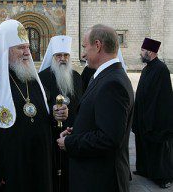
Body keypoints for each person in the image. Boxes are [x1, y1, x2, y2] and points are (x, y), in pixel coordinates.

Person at [0, 19, 67, 192]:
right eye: (21, 48)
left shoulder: (33, 81)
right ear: (5, 50)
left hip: (40, 168)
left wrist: (55, 115)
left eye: (28, 47)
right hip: (11, 173)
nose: (28, 52)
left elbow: (39, 118)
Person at [57, 24, 134, 192]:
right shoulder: (105, 76)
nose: (83, 54)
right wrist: (76, 131)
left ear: (98, 46)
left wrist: (70, 142)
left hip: (100, 180)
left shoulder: (112, 83)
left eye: (85, 47)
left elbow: (109, 138)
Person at [38, 35, 83, 192]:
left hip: (72, 134)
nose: (63, 59)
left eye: (66, 55)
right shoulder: (41, 78)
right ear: (52, 57)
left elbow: (80, 106)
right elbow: (38, 107)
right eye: (58, 55)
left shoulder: (77, 78)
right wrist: (52, 112)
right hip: (50, 135)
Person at [132, 37, 173, 188]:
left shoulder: (161, 70)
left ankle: (163, 178)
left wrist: (150, 117)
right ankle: (145, 170)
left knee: (158, 150)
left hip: (156, 119)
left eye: (143, 50)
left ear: (150, 52)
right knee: (143, 145)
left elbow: (161, 99)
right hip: (144, 116)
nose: (141, 53)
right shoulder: (147, 68)